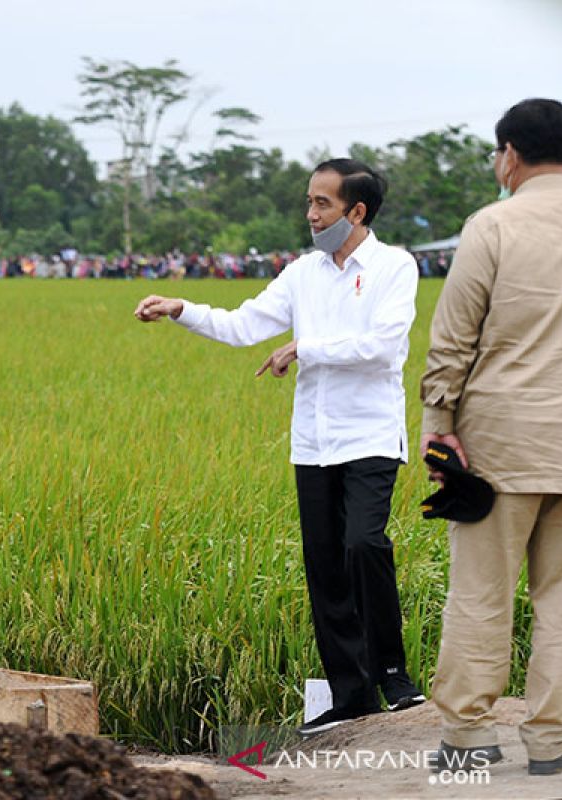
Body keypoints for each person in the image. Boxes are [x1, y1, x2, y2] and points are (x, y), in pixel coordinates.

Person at [134, 158, 424, 736]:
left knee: (363, 544)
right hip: (314, 442)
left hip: (368, 434)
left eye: (323, 204)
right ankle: (351, 695)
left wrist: (305, 348)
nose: (310, 214)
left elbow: (382, 346)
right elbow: (244, 324)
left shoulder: (395, 266)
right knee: (324, 566)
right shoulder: (303, 273)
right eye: (310, 202)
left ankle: (394, 676)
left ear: (356, 211)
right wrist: (181, 309)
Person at [419, 98, 562, 776]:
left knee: (481, 593)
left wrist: (437, 430)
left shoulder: (492, 226)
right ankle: (552, 743)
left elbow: (452, 340)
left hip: (498, 448)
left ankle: (467, 738)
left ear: (509, 154)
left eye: (496, 155)